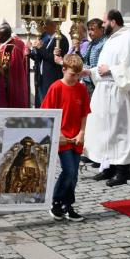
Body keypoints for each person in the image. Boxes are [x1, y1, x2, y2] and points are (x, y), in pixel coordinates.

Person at [86, 10, 130, 187]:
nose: (102, 25)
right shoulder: (112, 39)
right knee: (105, 131)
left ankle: (123, 171)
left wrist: (111, 70)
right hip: (104, 90)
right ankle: (108, 167)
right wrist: (89, 71)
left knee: (120, 131)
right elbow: (103, 68)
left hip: (118, 91)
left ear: (113, 22)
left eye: (104, 22)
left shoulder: (129, 39)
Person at [41, 54, 90, 222]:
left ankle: (67, 206)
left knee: (74, 174)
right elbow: (47, 114)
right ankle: (56, 202)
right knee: (69, 170)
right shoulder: (56, 88)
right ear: (63, 70)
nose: (75, 78)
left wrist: (82, 132)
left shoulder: (81, 88)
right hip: (61, 136)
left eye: (78, 75)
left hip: (76, 136)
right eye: (72, 74)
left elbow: (84, 113)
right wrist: (58, 134)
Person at [30, 18, 70, 107]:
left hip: (52, 77)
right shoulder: (47, 39)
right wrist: (30, 52)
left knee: (49, 104)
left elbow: (55, 59)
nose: (44, 27)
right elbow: (41, 57)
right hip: (41, 77)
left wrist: (41, 48)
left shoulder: (61, 39)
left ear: (54, 25)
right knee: (41, 103)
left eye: (46, 24)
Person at [0, 22, 30, 108]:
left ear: (5, 36)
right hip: (18, 79)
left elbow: (5, 68)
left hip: (10, 82)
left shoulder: (8, 48)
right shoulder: (18, 42)